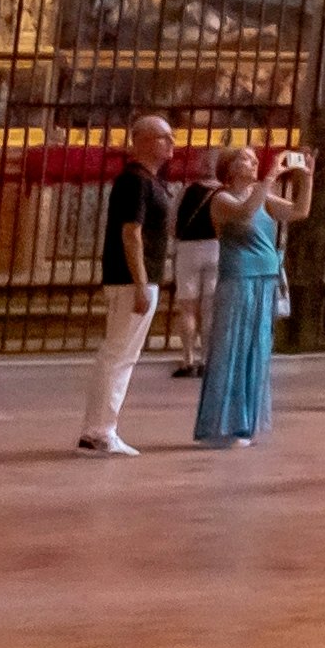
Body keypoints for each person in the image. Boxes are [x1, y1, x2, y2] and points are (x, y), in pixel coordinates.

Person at [190, 143, 301, 448]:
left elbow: (299, 211)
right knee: (232, 348)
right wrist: (269, 177)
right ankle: (223, 424)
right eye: (245, 159)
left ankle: (245, 422)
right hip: (238, 277)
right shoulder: (222, 198)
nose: (252, 164)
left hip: (265, 279)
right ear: (229, 166)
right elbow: (244, 212)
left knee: (257, 349)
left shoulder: (263, 197)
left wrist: (308, 177)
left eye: (254, 160)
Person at [81, 118, 181, 454]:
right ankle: (100, 431)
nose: (171, 144)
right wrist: (140, 282)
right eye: (163, 138)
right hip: (131, 280)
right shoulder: (135, 182)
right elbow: (131, 232)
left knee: (120, 354)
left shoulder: (149, 181)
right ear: (141, 141)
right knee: (119, 355)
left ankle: (98, 429)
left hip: (136, 278)